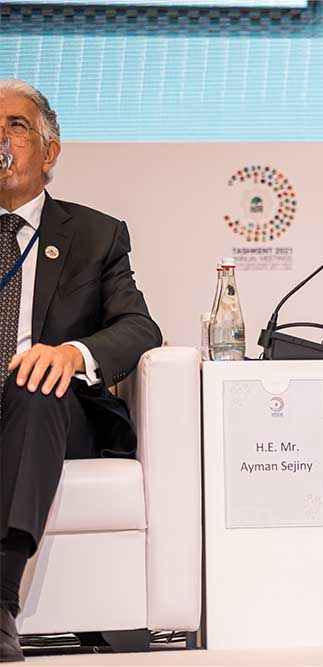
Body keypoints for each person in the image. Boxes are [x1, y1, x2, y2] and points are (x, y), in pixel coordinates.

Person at [0, 79, 162, 662]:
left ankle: (0, 595)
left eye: (15, 127)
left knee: (35, 381)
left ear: (50, 152)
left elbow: (139, 327)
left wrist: (72, 354)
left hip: (51, 410)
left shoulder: (95, 234)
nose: (0, 140)